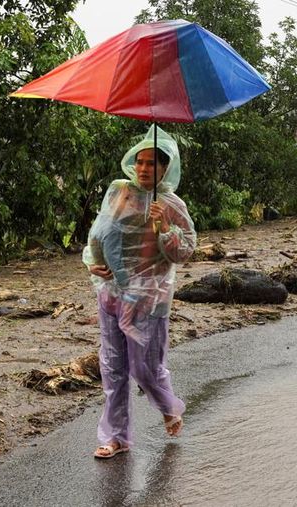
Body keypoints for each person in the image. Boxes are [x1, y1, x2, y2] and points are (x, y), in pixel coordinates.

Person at [83, 125, 196, 459]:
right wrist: (93, 264)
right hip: (112, 295)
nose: (144, 168)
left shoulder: (171, 203)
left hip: (149, 299)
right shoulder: (119, 192)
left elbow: (185, 251)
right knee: (113, 367)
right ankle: (116, 437)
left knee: (145, 369)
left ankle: (168, 406)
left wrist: (165, 227)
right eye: (141, 162)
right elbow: (98, 234)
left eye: (153, 163)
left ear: (166, 168)